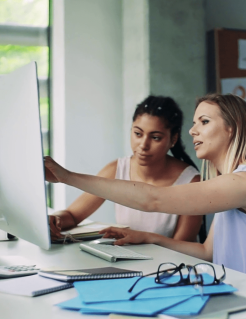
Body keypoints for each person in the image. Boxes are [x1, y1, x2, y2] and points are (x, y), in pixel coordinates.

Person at [44, 93, 246, 295]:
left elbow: (153, 199)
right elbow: (206, 252)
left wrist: (66, 177)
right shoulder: (231, 184)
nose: (192, 130)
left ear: (231, 128)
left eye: (203, 121)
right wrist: (147, 237)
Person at [48, 96, 203, 242]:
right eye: (138, 133)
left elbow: (182, 249)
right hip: (126, 263)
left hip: (168, 268)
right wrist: (55, 220)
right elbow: (73, 215)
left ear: (173, 139)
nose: (143, 145)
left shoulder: (191, 182)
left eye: (155, 137)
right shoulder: (116, 170)